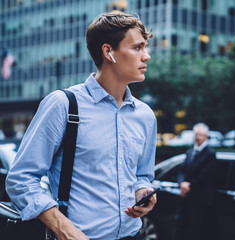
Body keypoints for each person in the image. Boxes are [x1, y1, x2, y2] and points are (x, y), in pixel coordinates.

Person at [6, 11, 157, 240]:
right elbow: (20, 179)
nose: (146, 56)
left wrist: (142, 191)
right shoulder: (63, 105)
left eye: (145, 47)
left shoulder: (145, 115)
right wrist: (64, 228)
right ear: (108, 52)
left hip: (134, 235)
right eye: (137, 48)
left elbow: (142, 175)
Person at [173, 123, 219, 240]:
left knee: (196, 229)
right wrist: (181, 183)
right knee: (181, 226)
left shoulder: (210, 154)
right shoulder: (189, 152)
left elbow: (206, 174)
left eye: (201, 135)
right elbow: (182, 169)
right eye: (196, 134)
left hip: (199, 198)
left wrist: (189, 185)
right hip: (185, 196)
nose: (198, 137)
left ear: (206, 136)